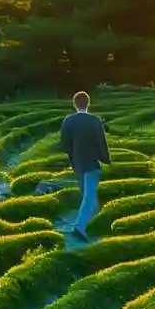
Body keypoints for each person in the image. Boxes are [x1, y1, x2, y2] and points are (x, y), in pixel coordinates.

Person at [59, 90, 110, 241]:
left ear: (74, 104)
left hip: (78, 164)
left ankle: (90, 225)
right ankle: (80, 228)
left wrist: (72, 158)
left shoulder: (68, 120)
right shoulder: (95, 120)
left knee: (88, 195)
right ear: (88, 103)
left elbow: (64, 144)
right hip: (92, 163)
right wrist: (106, 160)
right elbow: (102, 143)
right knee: (90, 197)